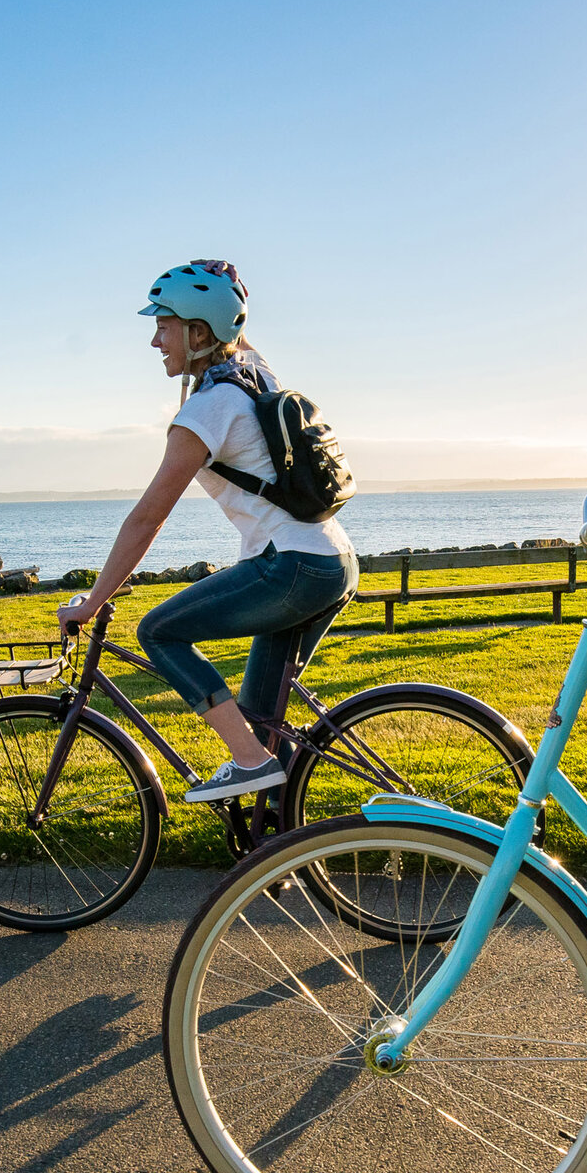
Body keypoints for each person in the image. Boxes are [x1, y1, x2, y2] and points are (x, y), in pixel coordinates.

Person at [57, 260, 358, 802]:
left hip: (292, 567)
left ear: (199, 333)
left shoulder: (211, 407)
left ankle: (246, 763)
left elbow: (148, 516)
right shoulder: (252, 373)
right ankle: (281, 852)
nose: (155, 341)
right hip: (330, 560)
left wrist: (93, 600)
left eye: (164, 325)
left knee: (159, 632)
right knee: (263, 725)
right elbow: (237, 336)